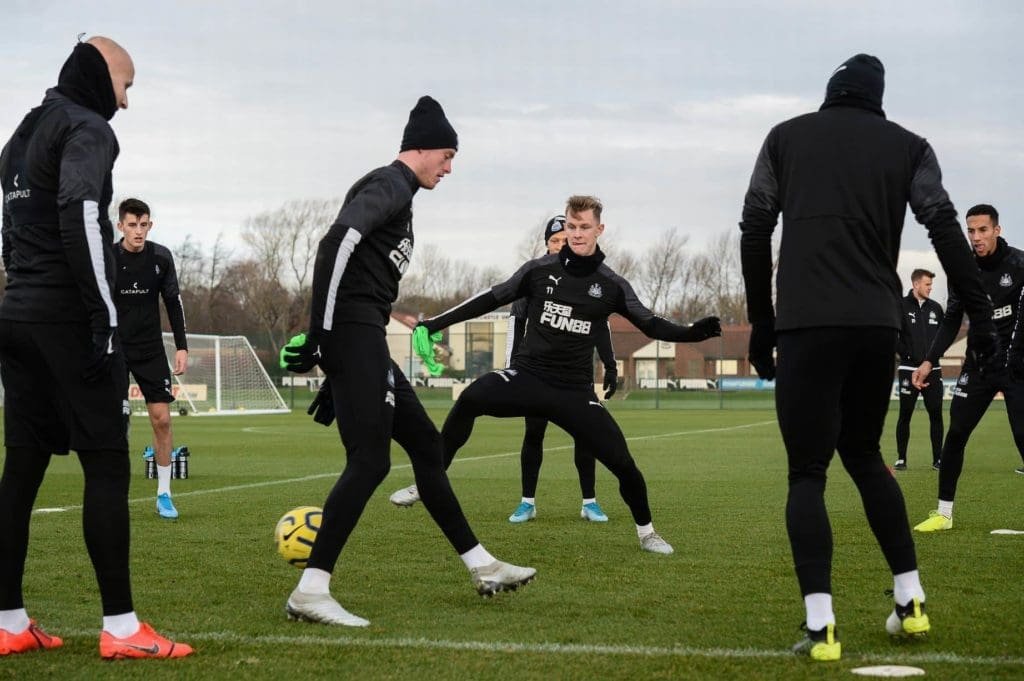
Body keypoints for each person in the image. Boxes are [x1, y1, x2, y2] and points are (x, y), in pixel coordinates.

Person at [739, 54, 997, 661]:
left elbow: (754, 228)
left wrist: (761, 324)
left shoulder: (784, 137)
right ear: (878, 97)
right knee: (863, 453)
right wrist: (981, 312)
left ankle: (821, 625)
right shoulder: (909, 146)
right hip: (877, 325)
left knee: (807, 472)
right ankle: (910, 600)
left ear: (831, 91)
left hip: (805, 323)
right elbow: (941, 224)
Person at [279, 96, 535, 628]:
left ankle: (482, 565)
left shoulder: (403, 196)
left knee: (426, 445)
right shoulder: (390, 184)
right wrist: (322, 335)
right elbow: (336, 242)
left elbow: (360, 263)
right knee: (369, 461)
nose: (449, 167)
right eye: (447, 155)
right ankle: (311, 589)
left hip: (365, 334)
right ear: (421, 148)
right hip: (351, 333)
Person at [0, 37, 192, 658]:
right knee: (108, 465)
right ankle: (121, 630)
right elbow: (82, 211)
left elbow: (11, 227)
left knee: (21, 469)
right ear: (98, 75)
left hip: (18, 314)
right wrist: (105, 317)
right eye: (125, 84)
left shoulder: (23, 131)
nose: (126, 102)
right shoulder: (88, 127)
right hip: (67, 321)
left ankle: (7, 622)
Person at [412, 195, 721, 555]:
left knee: (624, 466)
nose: (576, 233)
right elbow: (490, 297)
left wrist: (691, 333)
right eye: (572, 226)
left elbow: (650, 323)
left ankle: (647, 532)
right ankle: (431, 479)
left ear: (599, 229)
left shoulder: (611, 284)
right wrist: (435, 323)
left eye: (584, 227)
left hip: (574, 391)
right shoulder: (538, 270)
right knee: (470, 398)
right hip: (529, 378)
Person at [389, 214, 619, 524]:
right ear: (547, 244)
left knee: (586, 436)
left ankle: (589, 502)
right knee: (532, 433)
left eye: (565, 240)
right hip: (535, 375)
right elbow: (514, 323)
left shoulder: (592, 280)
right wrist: (514, 375)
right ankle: (527, 502)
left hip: (575, 379)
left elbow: (600, 327)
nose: (560, 246)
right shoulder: (535, 279)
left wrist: (610, 364)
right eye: (555, 241)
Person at [913, 204, 1024, 532]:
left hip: (1017, 364)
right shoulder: (962, 270)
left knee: (1023, 435)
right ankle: (943, 514)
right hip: (979, 365)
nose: (976, 237)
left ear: (997, 230)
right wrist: (929, 360)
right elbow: (950, 322)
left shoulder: (1018, 265)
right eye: (971, 231)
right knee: (956, 433)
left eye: (983, 230)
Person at [114, 198, 188, 519]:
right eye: (132, 225)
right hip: (114, 349)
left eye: (143, 224)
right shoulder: (107, 258)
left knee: (162, 419)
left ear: (150, 225)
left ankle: (164, 495)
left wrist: (182, 347)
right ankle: (111, 493)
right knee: (115, 424)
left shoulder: (161, 257)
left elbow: (173, 303)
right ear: (121, 226)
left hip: (150, 350)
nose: (138, 231)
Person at [893, 269, 945, 471]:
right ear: (916, 284)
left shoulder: (936, 308)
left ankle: (938, 459)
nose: (930, 288)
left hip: (933, 369)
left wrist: (931, 359)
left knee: (936, 414)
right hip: (908, 369)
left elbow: (943, 336)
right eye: (927, 284)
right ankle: (901, 458)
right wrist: (908, 355)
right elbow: (893, 336)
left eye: (931, 285)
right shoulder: (900, 306)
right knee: (905, 413)